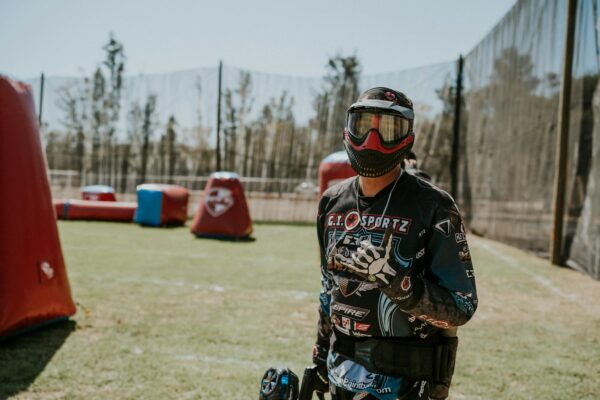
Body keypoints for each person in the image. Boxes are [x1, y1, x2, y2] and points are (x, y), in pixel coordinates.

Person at [311, 87, 477, 400]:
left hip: (406, 383)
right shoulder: (332, 202)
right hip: (340, 373)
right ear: (347, 129)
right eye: (363, 126)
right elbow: (327, 290)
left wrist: (394, 281)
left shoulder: (434, 207)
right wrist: (320, 358)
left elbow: (461, 307)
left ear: (408, 136)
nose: (372, 140)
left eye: (388, 129)